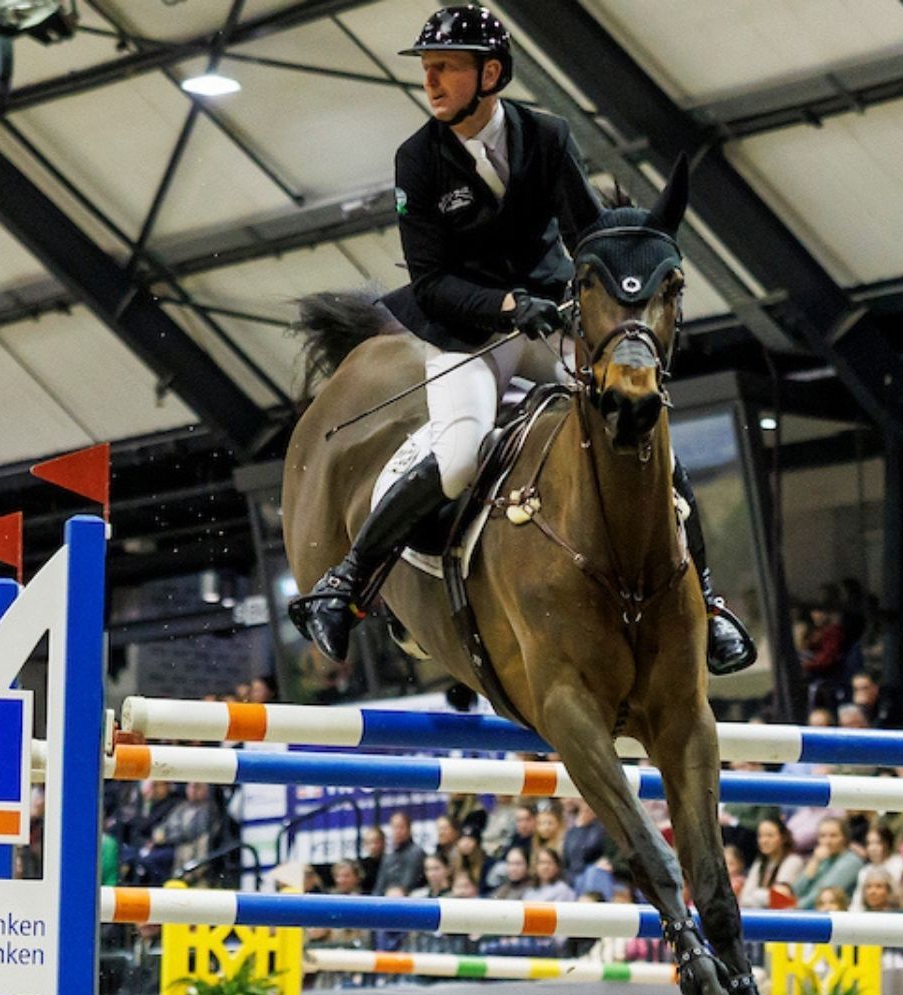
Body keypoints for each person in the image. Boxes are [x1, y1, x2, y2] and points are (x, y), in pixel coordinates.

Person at [287, 5, 754, 676]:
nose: (433, 81)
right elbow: (431, 282)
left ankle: (706, 605)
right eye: (428, 69)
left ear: (491, 73)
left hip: (550, 319)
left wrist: (589, 292)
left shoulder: (547, 135)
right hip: (468, 333)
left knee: (641, 424)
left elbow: (580, 231)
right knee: (458, 458)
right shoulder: (417, 161)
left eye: (446, 67)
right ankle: (348, 586)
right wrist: (508, 303)